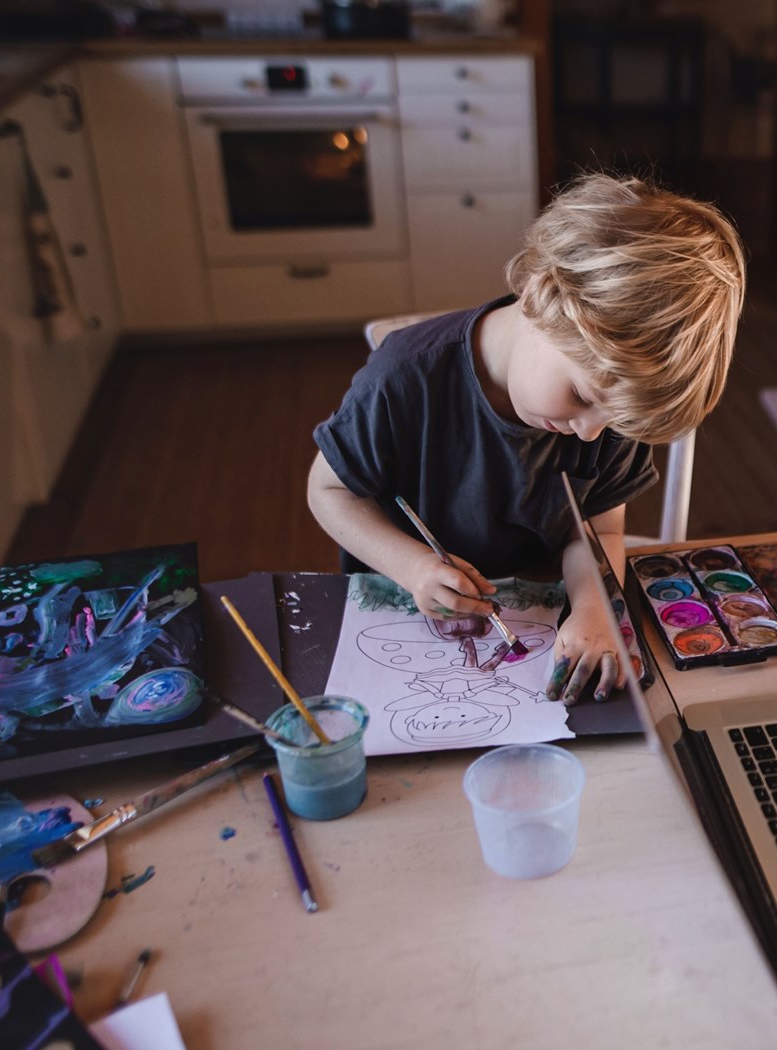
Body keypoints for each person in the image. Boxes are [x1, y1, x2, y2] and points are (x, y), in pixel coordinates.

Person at [309, 174, 745, 702]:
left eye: (612, 421)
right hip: (407, 620)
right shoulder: (403, 379)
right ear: (543, 295)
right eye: (582, 397)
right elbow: (328, 492)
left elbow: (597, 533)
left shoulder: (612, 403)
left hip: (537, 628)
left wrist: (591, 609)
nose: (590, 431)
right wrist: (412, 566)